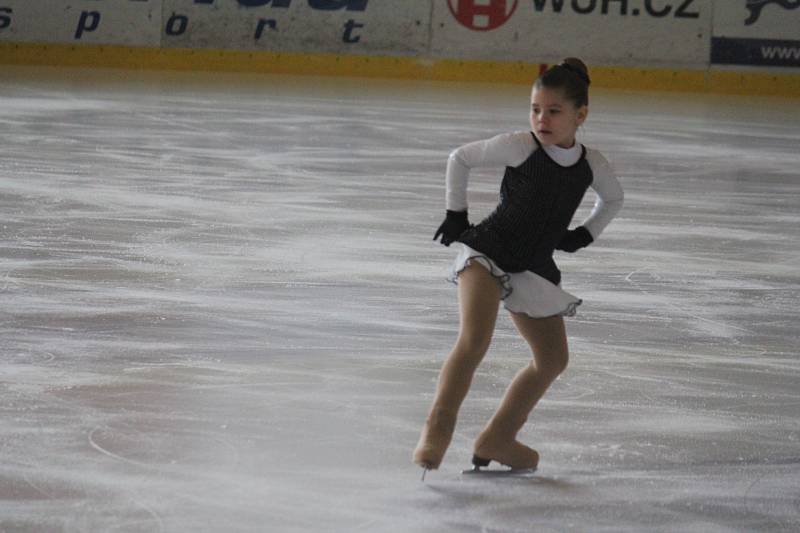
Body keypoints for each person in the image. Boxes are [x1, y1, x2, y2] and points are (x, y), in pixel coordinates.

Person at [413, 58, 624, 473]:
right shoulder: (521, 145)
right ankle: (437, 429)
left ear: (580, 115)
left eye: (553, 111)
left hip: (533, 266)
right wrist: (457, 213)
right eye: (535, 109)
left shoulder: (591, 164)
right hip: (487, 253)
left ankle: (500, 437)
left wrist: (585, 233)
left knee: (552, 360)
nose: (541, 119)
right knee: (474, 340)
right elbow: (461, 157)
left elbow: (613, 198)